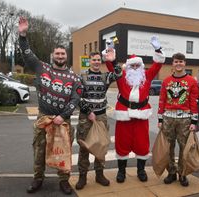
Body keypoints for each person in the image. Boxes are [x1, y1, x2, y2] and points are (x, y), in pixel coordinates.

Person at [18, 17, 82, 195]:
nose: (60, 56)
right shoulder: (42, 68)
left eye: (63, 54)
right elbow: (27, 54)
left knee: (64, 152)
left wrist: (63, 115)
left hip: (63, 122)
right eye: (57, 53)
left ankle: (64, 181)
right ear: (52, 55)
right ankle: (38, 179)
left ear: (66, 56)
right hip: (43, 119)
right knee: (39, 151)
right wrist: (23, 35)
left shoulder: (74, 78)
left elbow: (75, 99)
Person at [103, 36, 165, 183]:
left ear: (141, 67)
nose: (135, 68)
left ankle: (141, 170)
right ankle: (121, 171)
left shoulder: (147, 76)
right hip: (124, 114)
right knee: (122, 143)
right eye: (133, 66)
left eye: (138, 66)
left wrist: (158, 50)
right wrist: (110, 52)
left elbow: (158, 64)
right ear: (128, 67)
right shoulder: (121, 75)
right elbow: (112, 66)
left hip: (141, 115)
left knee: (142, 143)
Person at [75, 51, 122, 190]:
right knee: (84, 146)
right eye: (93, 60)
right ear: (89, 61)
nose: (96, 62)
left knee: (101, 145)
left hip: (101, 116)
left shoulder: (105, 76)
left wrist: (113, 61)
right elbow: (77, 97)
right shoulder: (81, 76)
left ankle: (99, 174)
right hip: (86, 117)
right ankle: (82, 176)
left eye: (98, 60)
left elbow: (119, 74)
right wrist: (88, 112)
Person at [157, 52, 199, 187]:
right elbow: (162, 100)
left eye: (181, 61)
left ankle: (182, 173)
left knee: (183, 147)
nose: (179, 64)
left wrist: (194, 121)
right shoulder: (166, 81)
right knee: (168, 147)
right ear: (172, 64)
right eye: (176, 61)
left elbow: (194, 101)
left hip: (185, 119)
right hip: (168, 117)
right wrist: (160, 119)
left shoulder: (192, 81)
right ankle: (171, 172)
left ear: (185, 63)